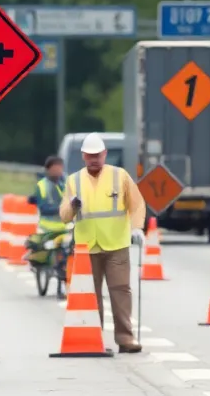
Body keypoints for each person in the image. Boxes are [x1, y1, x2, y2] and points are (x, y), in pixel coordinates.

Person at [59, 132, 146, 353]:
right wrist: (73, 206)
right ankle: (94, 339)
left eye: (97, 155)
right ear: (83, 156)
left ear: (105, 154)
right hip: (86, 246)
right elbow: (65, 215)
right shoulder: (74, 180)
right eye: (90, 156)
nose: (94, 159)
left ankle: (125, 339)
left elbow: (136, 204)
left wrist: (136, 228)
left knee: (120, 291)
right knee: (90, 294)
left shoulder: (120, 176)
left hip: (116, 244)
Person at [28, 156, 69, 298]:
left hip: (66, 227)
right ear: (48, 169)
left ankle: (63, 283)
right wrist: (61, 209)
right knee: (54, 251)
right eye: (55, 167)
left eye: (60, 167)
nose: (58, 170)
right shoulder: (42, 185)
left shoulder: (67, 184)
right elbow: (43, 206)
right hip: (48, 228)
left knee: (69, 251)